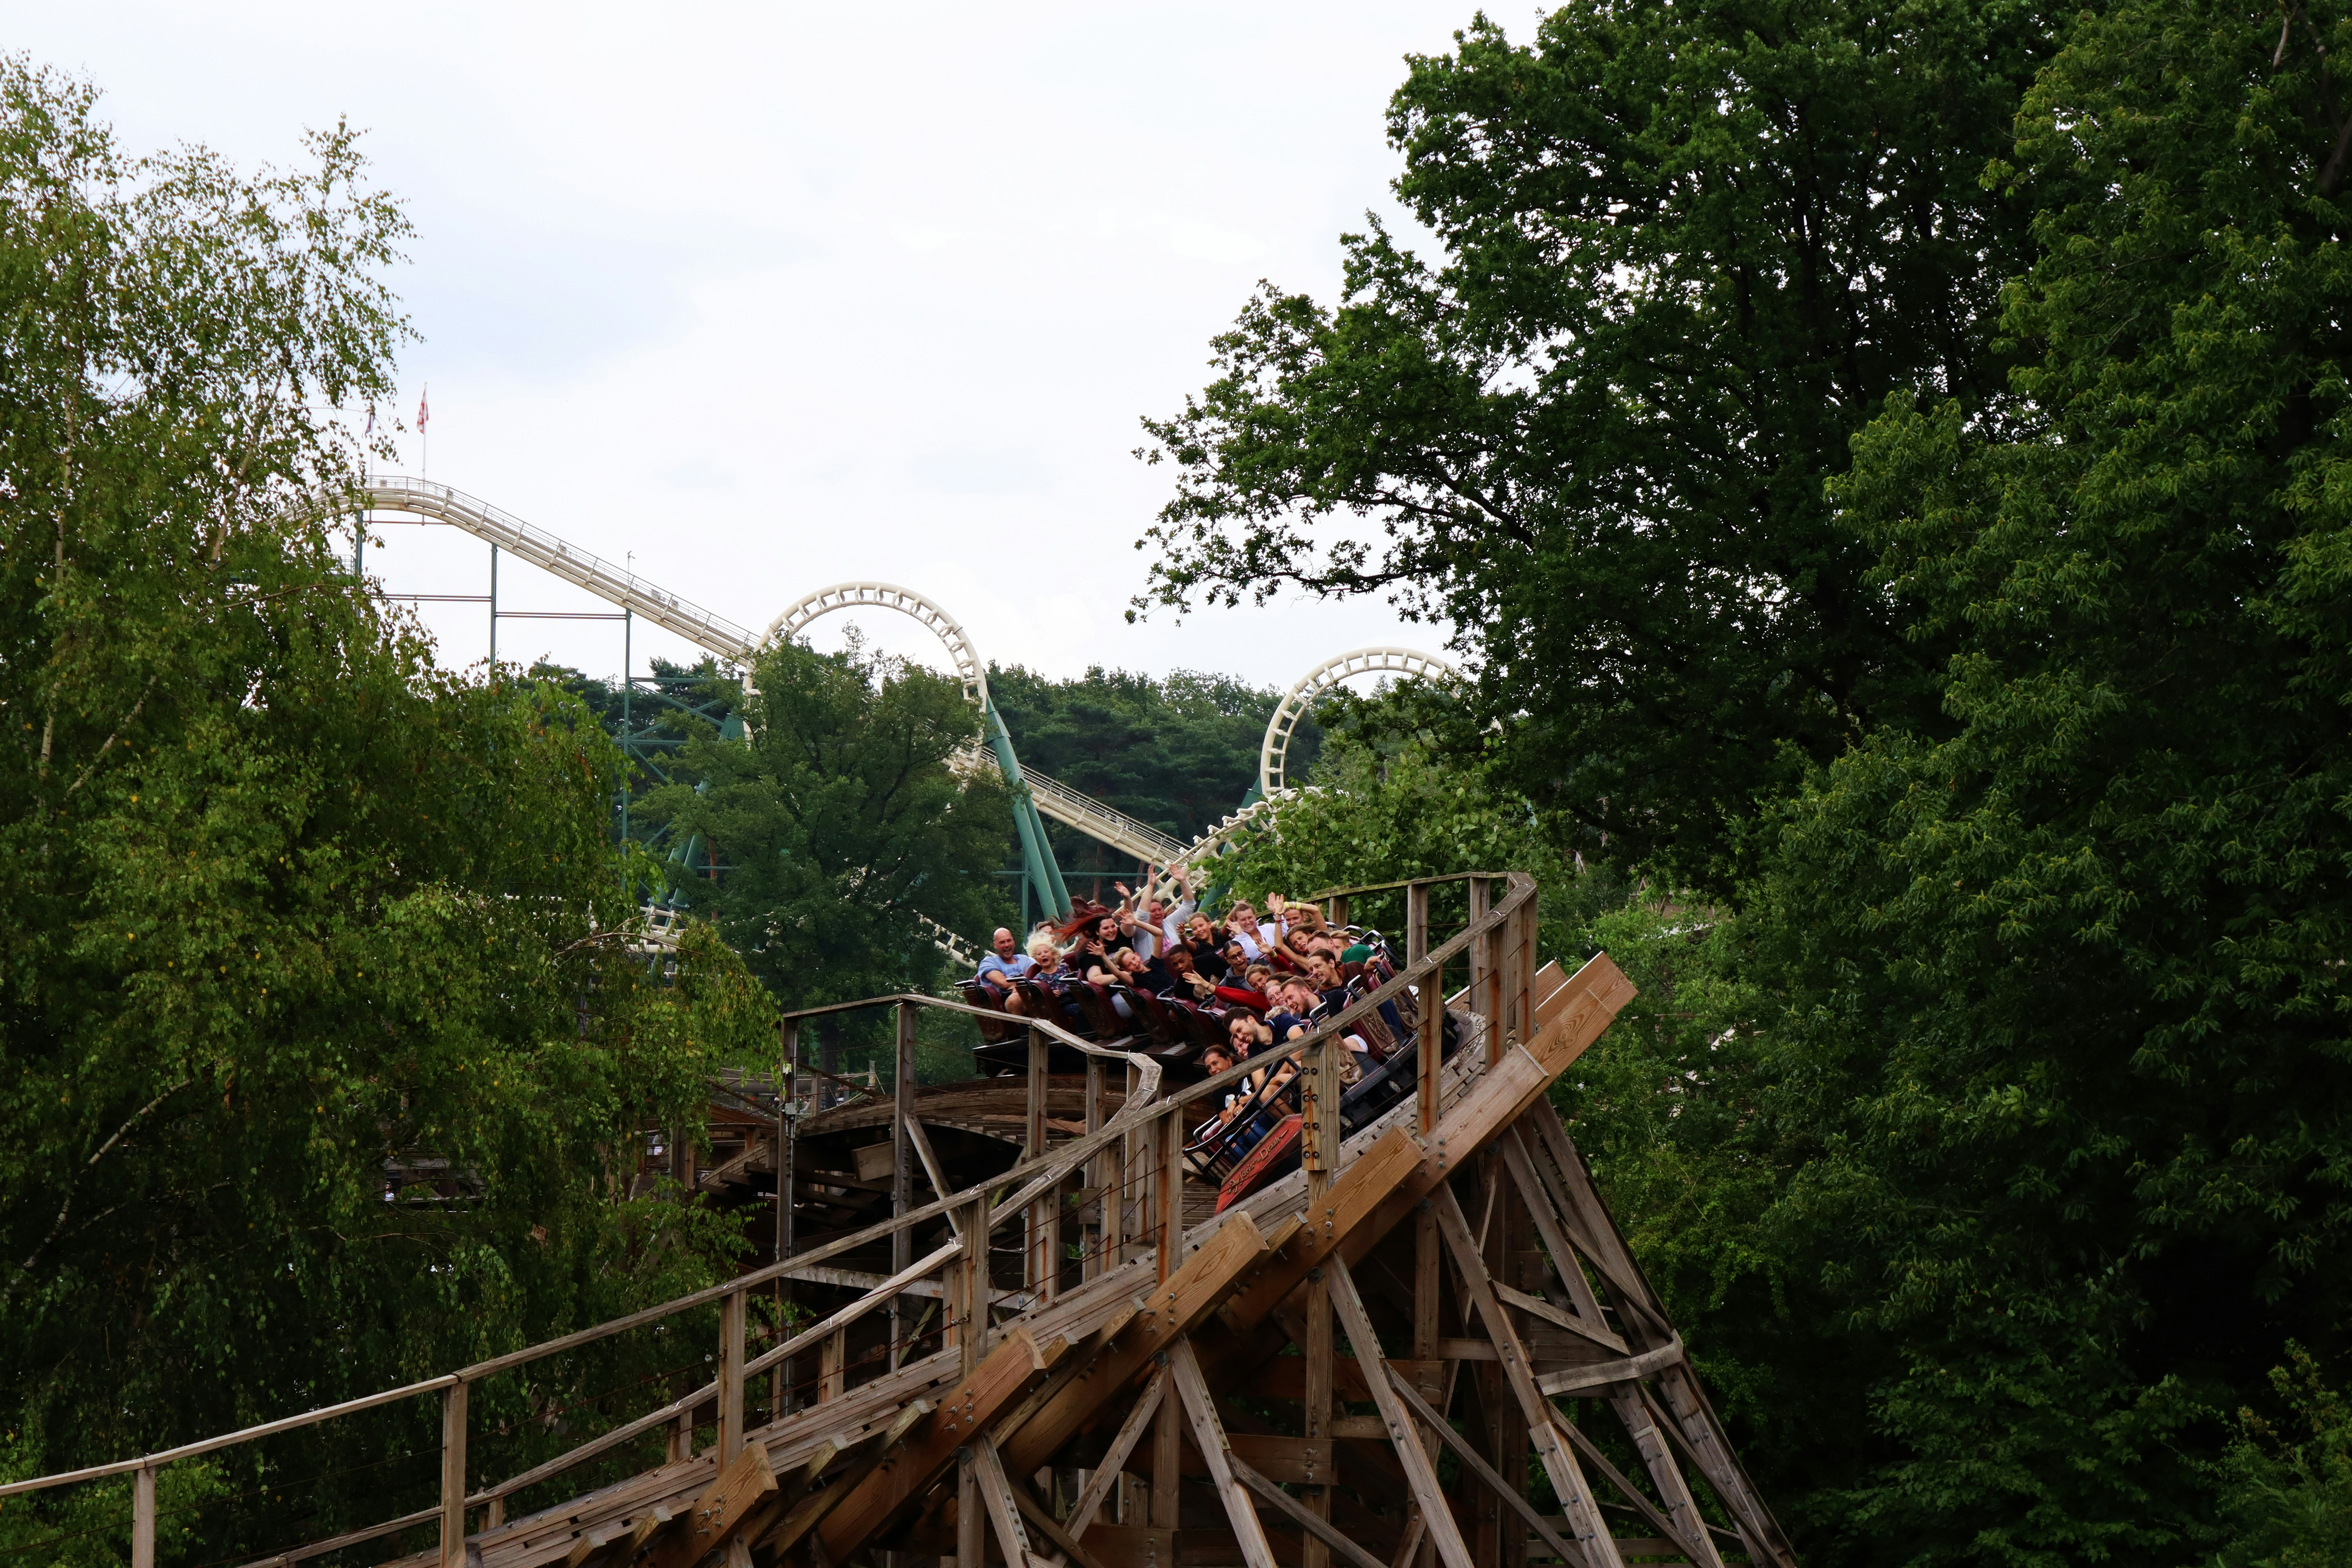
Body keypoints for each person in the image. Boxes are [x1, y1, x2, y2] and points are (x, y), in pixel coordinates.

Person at [974, 927, 1033, 1000]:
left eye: (1009, 941)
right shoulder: (988, 962)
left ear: (1014, 942)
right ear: (995, 945)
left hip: (1031, 999)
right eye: (1002, 942)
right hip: (1005, 1003)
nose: (1007, 945)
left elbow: (1041, 975)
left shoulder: (1025, 960)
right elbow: (1004, 983)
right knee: (1015, 999)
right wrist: (1025, 986)